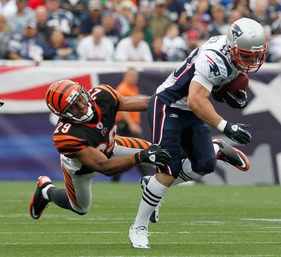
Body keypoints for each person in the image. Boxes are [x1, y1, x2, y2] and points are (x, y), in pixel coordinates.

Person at [128, 17, 267, 249]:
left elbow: (211, 89)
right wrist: (226, 126)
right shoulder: (215, 57)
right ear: (232, 47)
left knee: (205, 164)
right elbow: (195, 99)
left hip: (188, 109)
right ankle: (139, 227)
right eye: (246, 55)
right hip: (169, 105)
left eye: (255, 55)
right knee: (168, 170)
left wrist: (228, 92)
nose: (251, 60)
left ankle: (154, 185)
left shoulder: (229, 53)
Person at [29, 79, 171, 220]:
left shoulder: (102, 96)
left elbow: (148, 103)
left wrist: (174, 102)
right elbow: (105, 167)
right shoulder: (67, 136)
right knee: (80, 208)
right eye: (73, 107)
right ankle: (46, 190)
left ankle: (152, 189)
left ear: (83, 92)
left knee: (163, 155)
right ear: (63, 114)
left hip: (112, 147)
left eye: (79, 98)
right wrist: (140, 157)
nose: (81, 106)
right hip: (82, 171)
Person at [111, 68, 154, 182]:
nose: (134, 78)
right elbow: (122, 109)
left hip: (129, 124)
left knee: (122, 154)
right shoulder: (123, 88)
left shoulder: (133, 88)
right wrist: (131, 124)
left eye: (135, 75)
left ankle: (115, 180)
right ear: (125, 76)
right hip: (125, 125)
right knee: (140, 149)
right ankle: (147, 176)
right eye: (131, 75)